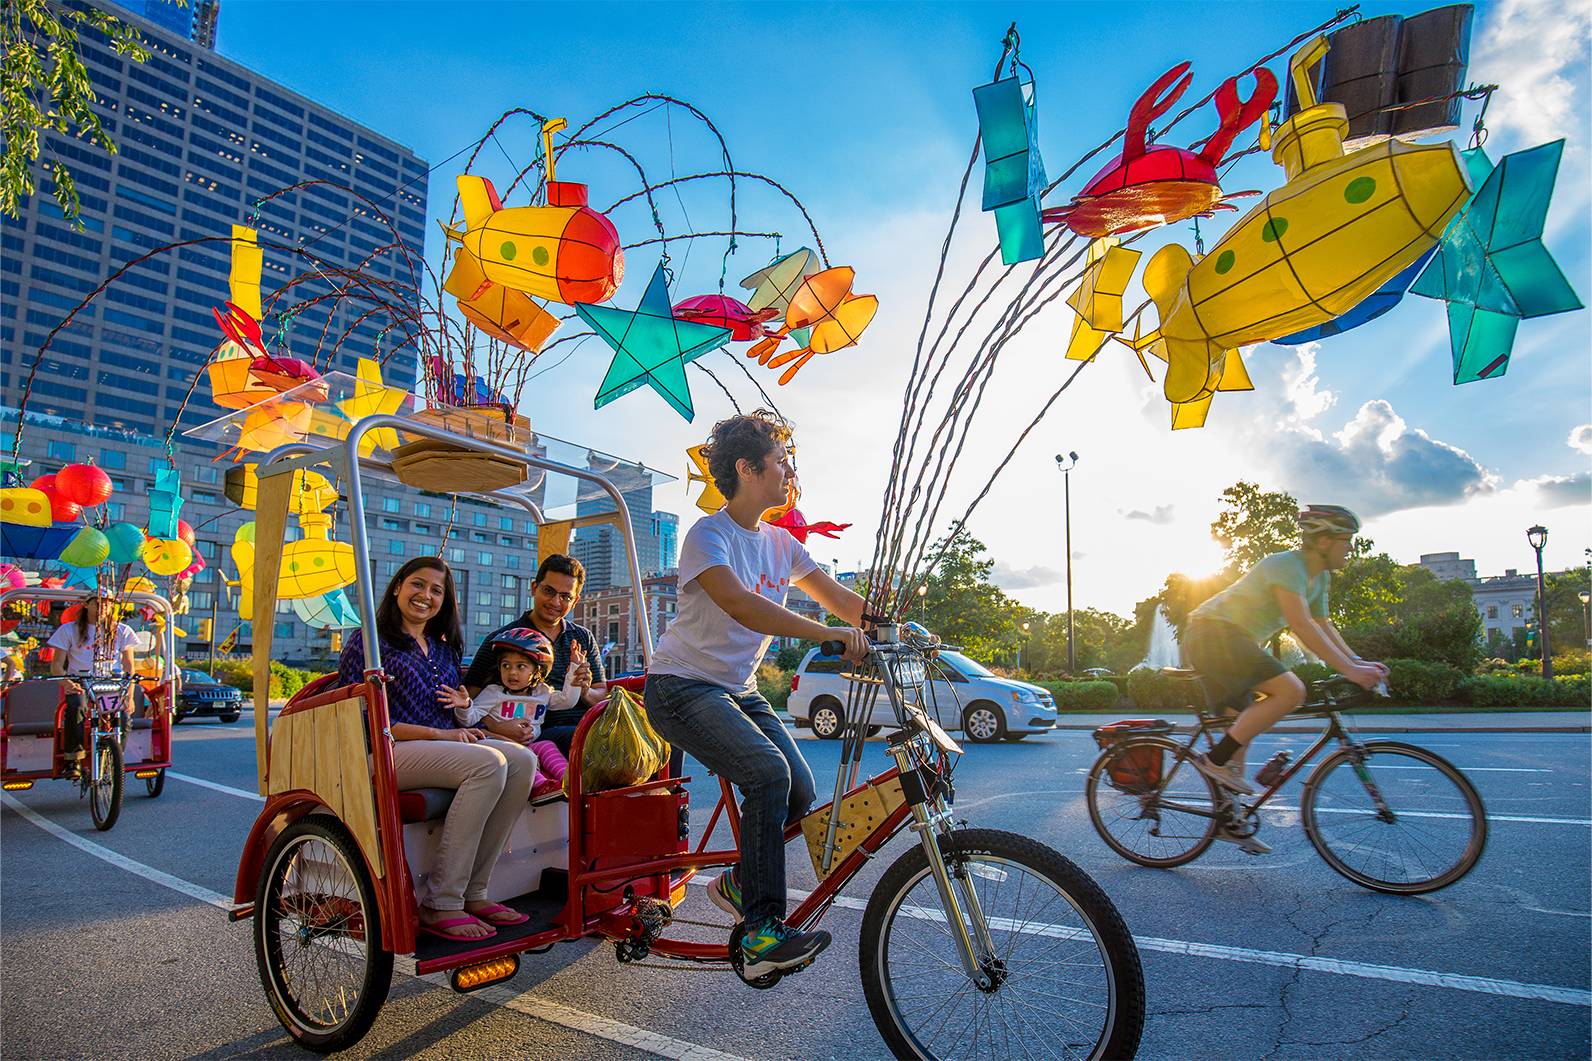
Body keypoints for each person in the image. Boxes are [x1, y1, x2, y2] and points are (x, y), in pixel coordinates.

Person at [644, 410, 869, 982]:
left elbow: (841, 599)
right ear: (747, 469)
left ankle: (741, 885)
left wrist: (893, 627)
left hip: (737, 691)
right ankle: (761, 931)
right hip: (681, 686)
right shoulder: (708, 535)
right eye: (781, 462)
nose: (790, 473)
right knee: (768, 773)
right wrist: (825, 635)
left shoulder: (782, 543)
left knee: (799, 789)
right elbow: (741, 604)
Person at [338, 556, 536, 941]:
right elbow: (362, 720)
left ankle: (474, 891)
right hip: (384, 749)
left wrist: (468, 715)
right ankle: (441, 901)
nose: (425, 595)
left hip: (438, 748)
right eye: (417, 584)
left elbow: (452, 715)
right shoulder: (370, 641)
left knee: (522, 761)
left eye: (436, 590)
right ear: (398, 586)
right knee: (488, 764)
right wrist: (440, 736)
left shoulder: (444, 650)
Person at [1184, 504, 1388, 853]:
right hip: (1213, 634)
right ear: (1323, 541)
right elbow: (1301, 624)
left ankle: (1228, 822)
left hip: (1232, 641)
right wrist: (1351, 671)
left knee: (1240, 730)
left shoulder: (1319, 578)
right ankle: (1213, 762)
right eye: (1346, 540)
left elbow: (1323, 625)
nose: (1351, 548)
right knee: (1291, 691)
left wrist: (1358, 662)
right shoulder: (1286, 565)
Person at [465, 554, 605, 758]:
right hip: (539, 733)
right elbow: (470, 698)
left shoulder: (583, 637)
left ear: (575, 601)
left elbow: (601, 695)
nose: (555, 601)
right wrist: (495, 725)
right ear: (534, 588)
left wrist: (584, 690)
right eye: (549, 591)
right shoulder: (502, 639)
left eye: (565, 597)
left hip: (586, 725)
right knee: (591, 740)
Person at [455, 627, 573, 801]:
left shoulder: (542, 692)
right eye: (506, 666)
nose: (512, 672)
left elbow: (567, 701)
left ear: (538, 671)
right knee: (524, 756)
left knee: (546, 745)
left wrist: (573, 671)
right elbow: (469, 719)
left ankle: (570, 781)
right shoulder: (494, 692)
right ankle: (539, 787)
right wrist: (465, 705)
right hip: (499, 743)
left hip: (530, 744)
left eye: (521, 666)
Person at [47, 594, 138, 774]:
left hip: (110, 683)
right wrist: (67, 682)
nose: (102, 607)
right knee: (77, 706)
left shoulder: (122, 630)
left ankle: (115, 758)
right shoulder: (68, 630)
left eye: (107, 604)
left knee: (123, 715)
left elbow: (129, 665)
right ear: (86, 605)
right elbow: (56, 665)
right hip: (80, 682)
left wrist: (130, 693)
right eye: (97, 603)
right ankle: (74, 759)